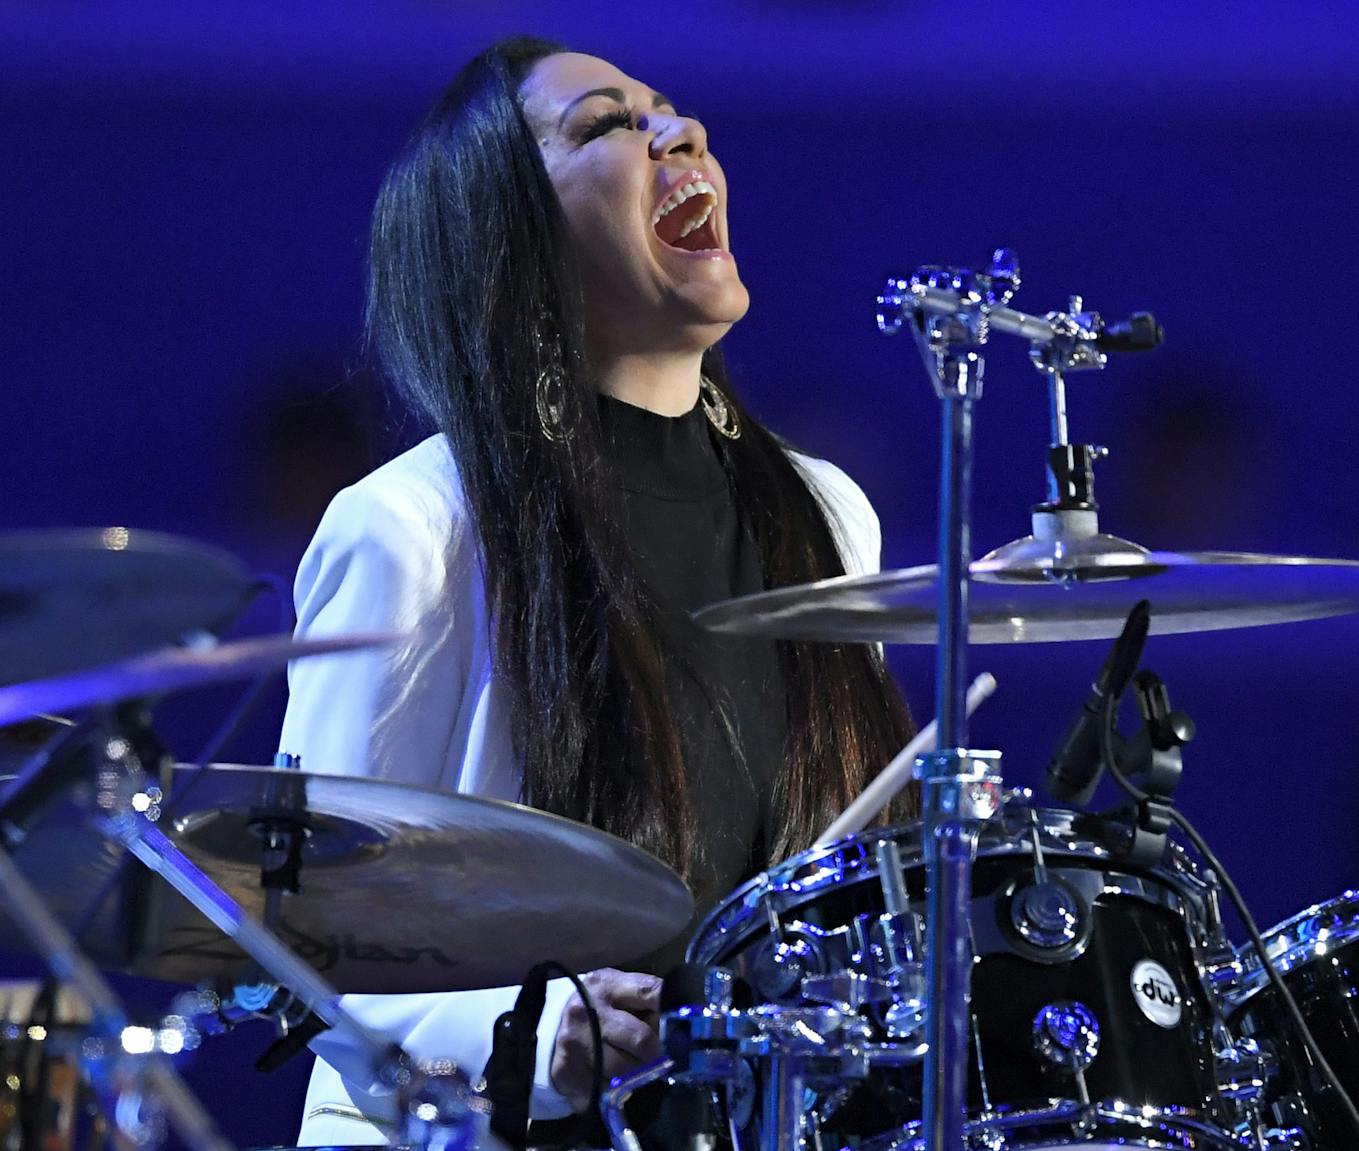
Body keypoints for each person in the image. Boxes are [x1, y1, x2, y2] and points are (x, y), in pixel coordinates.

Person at [279, 35, 915, 1146]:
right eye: (608, 125)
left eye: (674, 111)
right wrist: (519, 1036)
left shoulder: (825, 511)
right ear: (503, 230)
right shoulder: (414, 525)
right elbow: (304, 935)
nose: (683, 134)